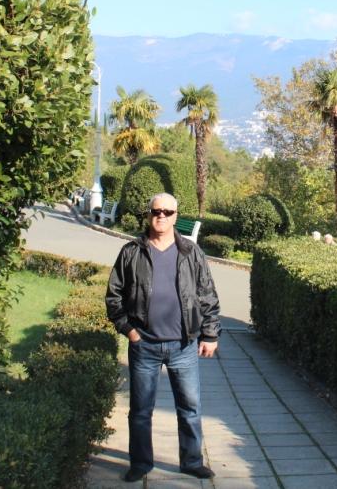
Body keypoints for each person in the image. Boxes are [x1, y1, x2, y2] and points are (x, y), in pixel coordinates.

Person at [105, 192, 221, 482]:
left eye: (167, 212)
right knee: (141, 410)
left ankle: (192, 461)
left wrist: (209, 334)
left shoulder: (191, 252)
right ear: (148, 214)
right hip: (144, 344)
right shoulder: (131, 252)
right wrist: (129, 331)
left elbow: (207, 294)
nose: (161, 216)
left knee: (190, 408)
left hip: (184, 345)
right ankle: (140, 463)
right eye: (156, 211)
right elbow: (114, 296)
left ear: (175, 216)